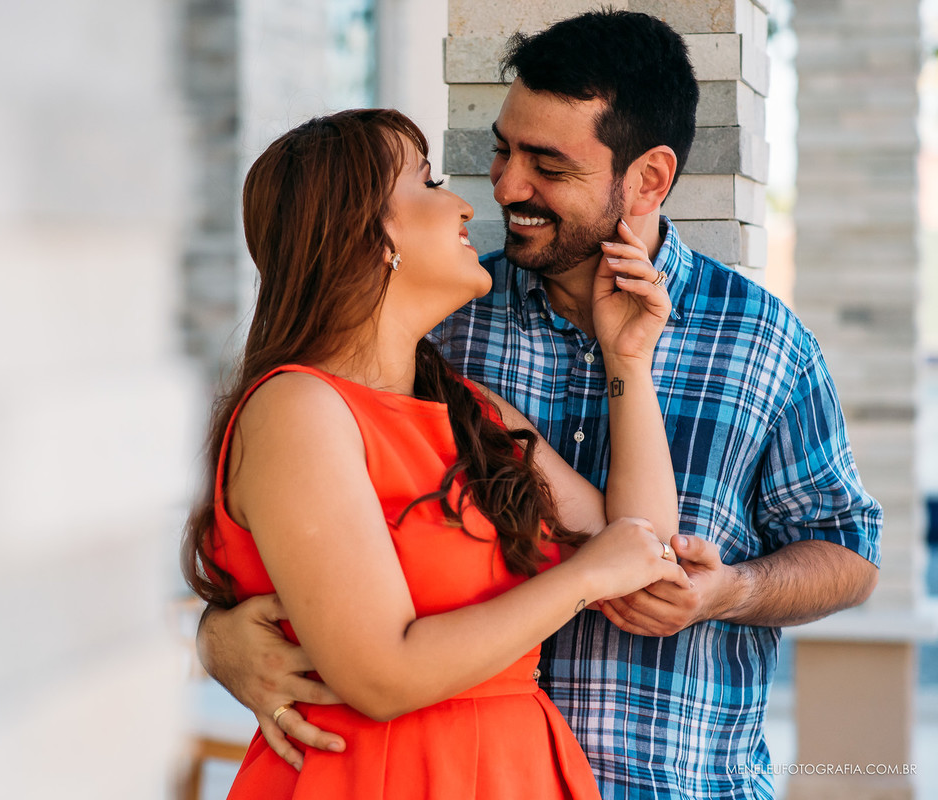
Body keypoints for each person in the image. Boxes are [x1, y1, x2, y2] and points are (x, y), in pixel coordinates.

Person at [196, 10, 883, 800]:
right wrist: (219, 639)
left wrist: (732, 590)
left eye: (547, 164)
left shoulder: (765, 341)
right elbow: (295, 562)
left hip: (660, 782)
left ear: (649, 179)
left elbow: (838, 550)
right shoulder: (435, 332)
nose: (500, 187)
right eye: (501, 150)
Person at [183, 106, 692, 798]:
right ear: (365, 235)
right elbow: (382, 676)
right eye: (426, 183)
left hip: (519, 770)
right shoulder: (297, 411)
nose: (460, 205)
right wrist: (579, 581)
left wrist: (627, 356)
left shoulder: (472, 411)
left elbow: (641, 548)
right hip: (379, 777)